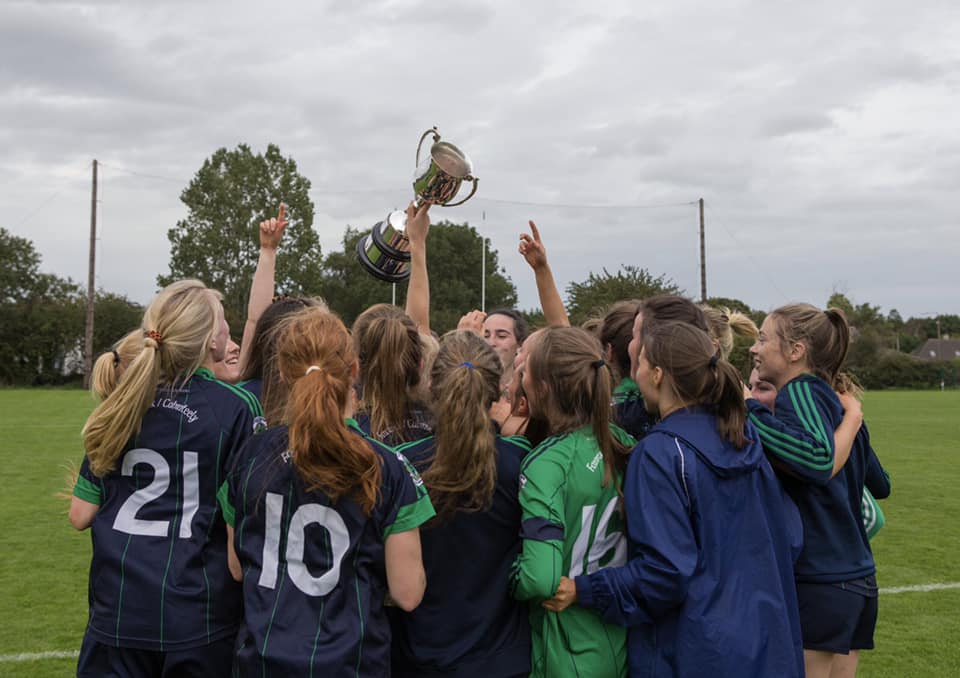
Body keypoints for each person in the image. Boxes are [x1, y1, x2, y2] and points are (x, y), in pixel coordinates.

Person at [544, 321, 805, 678]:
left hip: (695, 653)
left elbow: (664, 574)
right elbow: (791, 536)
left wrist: (585, 589)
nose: (634, 373)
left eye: (640, 362)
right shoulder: (743, 436)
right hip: (767, 645)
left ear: (657, 374)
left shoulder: (661, 453)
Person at [219, 306, 435, 676]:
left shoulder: (252, 454)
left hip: (264, 659)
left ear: (283, 372)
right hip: (350, 662)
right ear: (354, 370)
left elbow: (237, 566)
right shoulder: (387, 466)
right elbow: (408, 593)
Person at [70, 279, 264, 678]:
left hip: (116, 612)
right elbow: (241, 526)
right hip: (196, 616)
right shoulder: (235, 408)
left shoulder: (123, 402)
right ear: (210, 340)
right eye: (222, 321)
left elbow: (81, 513)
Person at [747, 303, 886, 678]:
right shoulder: (840, 407)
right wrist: (853, 420)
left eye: (763, 339)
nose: (754, 348)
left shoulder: (800, 391)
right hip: (859, 580)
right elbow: (881, 483)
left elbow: (815, 460)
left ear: (796, 351)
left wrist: (748, 408)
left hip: (821, 579)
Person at [390, 331, 532, 677]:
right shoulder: (521, 463)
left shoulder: (402, 464)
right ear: (498, 392)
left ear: (431, 387)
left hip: (420, 654)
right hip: (499, 659)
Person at [510, 326, 633, 677]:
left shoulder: (547, 463)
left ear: (544, 388)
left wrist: (506, 576)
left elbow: (541, 579)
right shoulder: (625, 443)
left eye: (526, 371)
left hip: (565, 652)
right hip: (618, 644)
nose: (521, 379)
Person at [748, 368, 889, 540]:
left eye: (763, 388)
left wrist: (852, 420)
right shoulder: (768, 438)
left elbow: (873, 514)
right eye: (750, 387)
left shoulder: (824, 438)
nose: (751, 396)